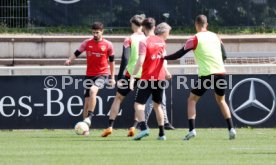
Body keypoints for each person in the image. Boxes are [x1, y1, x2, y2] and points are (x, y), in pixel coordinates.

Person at [163, 14, 236, 140]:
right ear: (206, 24)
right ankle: (231, 129)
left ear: (196, 24)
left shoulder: (194, 39)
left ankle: (192, 130)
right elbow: (224, 55)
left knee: (192, 100)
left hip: (206, 74)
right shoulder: (216, 36)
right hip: (220, 73)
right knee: (221, 100)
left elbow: (178, 55)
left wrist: (163, 57)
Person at [101, 14, 146, 137]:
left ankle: (110, 126)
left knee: (118, 98)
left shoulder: (129, 39)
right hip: (145, 74)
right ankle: (134, 126)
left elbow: (125, 57)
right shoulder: (147, 39)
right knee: (139, 102)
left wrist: (120, 76)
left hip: (130, 73)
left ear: (132, 24)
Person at [65, 22, 116, 129]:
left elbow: (112, 62)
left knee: (93, 91)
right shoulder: (87, 43)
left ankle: (90, 117)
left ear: (102, 31)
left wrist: (112, 77)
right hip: (89, 75)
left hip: (102, 74)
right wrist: (70, 59)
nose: (95, 34)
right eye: (93, 32)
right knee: (87, 102)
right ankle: (85, 128)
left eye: (97, 32)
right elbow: (77, 52)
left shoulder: (108, 45)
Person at [130, 19, 172, 140]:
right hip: (160, 78)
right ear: (154, 27)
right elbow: (162, 60)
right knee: (157, 106)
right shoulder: (162, 42)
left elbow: (140, 61)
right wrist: (167, 72)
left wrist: (133, 77)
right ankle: (162, 134)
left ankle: (144, 128)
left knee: (138, 104)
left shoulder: (144, 41)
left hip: (147, 78)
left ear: (143, 28)